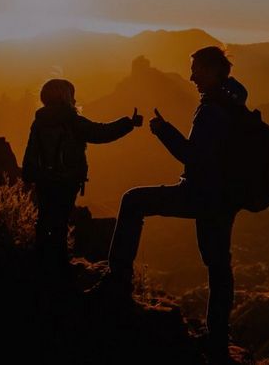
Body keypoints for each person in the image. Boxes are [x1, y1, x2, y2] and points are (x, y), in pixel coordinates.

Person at [98, 46, 246, 361]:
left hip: (200, 194)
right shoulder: (233, 103)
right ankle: (218, 340)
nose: (191, 77)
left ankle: (117, 282)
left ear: (212, 70)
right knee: (218, 265)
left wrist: (162, 130)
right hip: (224, 199)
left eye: (196, 70)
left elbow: (192, 155)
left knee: (133, 201)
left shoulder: (213, 110)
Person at [22, 79, 142, 273]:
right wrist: (128, 123)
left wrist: (28, 176)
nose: (75, 98)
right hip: (66, 181)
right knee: (61, 222)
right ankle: (59, 266)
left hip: (44, 180)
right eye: (72, 94)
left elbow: (31, 150)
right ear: (66, 96)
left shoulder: (39, 121)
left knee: (44, 219)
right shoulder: (72, 121)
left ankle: (42, 261)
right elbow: (101, 133)